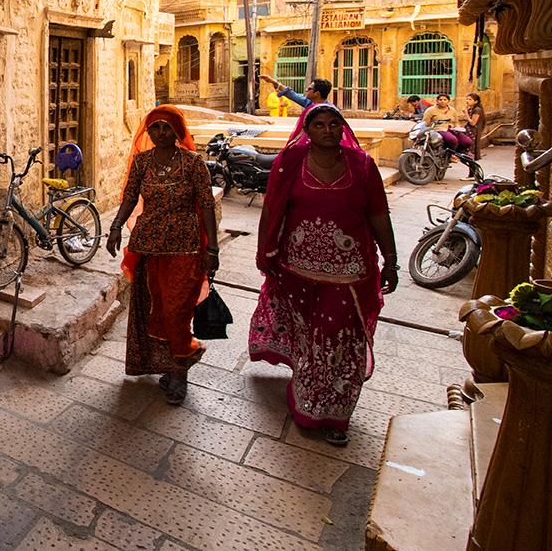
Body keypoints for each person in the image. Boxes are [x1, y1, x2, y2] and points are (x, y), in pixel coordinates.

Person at [249, 103, 399, 447]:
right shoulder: (290, 164)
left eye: (335, 124)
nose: (328, 130)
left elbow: (378, 214)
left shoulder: (362, 166)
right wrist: (264, 251)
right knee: (310, 341)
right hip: (297, 271)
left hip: (350, 275)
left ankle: (332, 413)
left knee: (338, 343)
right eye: (319, 124)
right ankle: (308, 399)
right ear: (308, 129)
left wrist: (390, 260)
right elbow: (272, 209)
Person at [106, 106, 219, 406]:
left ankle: (179, 374)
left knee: (177, 311)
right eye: (154, 128)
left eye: (166, 128)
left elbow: (206, 205)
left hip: (185, 246)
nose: (160, 133)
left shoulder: (194, 164)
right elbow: (130, 197)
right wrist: (116, 227)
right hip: (148, 245)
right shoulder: (142, 163)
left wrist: (213, 248)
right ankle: (159, 365)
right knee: (151, 308)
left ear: (178, 131)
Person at [260, 74, 331, 110]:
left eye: (309, 89)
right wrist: (272, 81)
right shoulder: (309, 103)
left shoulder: (329, 110)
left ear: (317, 93)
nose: (306, 90)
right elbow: (291, 94)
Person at [465, 92, 486, 160]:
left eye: (470, 99)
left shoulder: (477, 110)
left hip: (474, 131)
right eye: (467, 99)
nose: (467, 101)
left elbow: (473, 123)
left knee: (472, 149)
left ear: (476, 101)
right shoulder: (471, 109)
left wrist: (465, 113)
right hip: (470, 130)